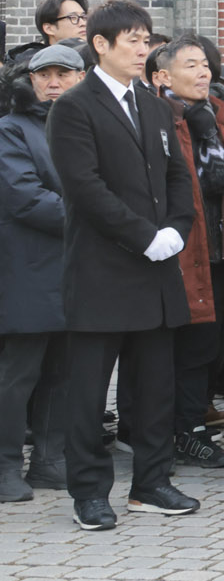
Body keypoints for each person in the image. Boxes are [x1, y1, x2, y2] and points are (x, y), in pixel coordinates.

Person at [46, 1, 199, 530]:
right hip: (102, 271)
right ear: (101, 45)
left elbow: (180, 178)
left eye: (146, 39)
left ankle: (151, 483)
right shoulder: (74, 107)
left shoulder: (157, 107)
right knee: (89, 392)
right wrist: (142, 236)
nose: (143, 49)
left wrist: (177, 231)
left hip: (157, 271)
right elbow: (84, 187)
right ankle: (89, 491)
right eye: (131, 40)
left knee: (156, 386)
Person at [155, 38, 224, 471]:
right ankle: (175, 431)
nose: (203, 73)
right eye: (191, 65)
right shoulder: (158, 121)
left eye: (206, 65)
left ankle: (192, 423)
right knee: (176, 349)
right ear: (163, 76)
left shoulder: (219, 119)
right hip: (177, 255)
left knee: (209, 345)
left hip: (220, 253)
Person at [0, 44, 86, 501]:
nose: (53, 81)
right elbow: (25, 197)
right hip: (27, 268)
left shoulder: (86, 127)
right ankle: (5, 465)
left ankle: (50, 462)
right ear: (30, 80)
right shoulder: (10, 130)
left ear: (80, 77)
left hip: (77, 268)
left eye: (63, 72)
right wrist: (97, 217)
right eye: (44, 73)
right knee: (17, 375)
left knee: (63, 370)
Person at [7, 0, 90, 62]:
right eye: (73, 17)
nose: (83, 23)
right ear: (49, 28)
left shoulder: (91, 59)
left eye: (83, 17)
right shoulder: (29, 66)